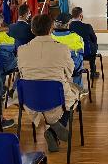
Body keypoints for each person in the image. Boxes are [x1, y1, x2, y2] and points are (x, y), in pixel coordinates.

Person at [18, 14, 82, 152]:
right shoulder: (62, 48)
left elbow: (22, 73)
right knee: (72, 95)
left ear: (32, 29)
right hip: (56, 98)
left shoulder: (22, 50)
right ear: (51, 28)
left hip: (30, 99)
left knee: (50, 95)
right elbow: (70, 72)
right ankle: (53, 127)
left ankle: (52, 127)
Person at [51, 13, 85, 89]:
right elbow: (81, 52)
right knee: (78, 58)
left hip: (54, 69)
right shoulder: (76, 37)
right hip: (72, 70)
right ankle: (79, 88)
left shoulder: (50, 37)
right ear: (67, 24)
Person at [69, 7, 99, 78]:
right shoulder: (87, 26)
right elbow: (94, 39)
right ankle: (93, 72)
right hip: (86, 53)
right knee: (92, 46)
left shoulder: (68, 26)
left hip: (72, 53)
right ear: (81, 15)